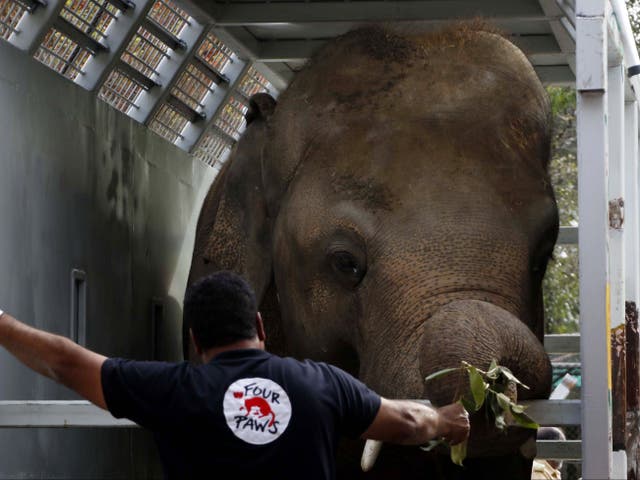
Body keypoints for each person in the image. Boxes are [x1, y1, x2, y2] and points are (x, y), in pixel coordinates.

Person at [0, 271, 469, 479]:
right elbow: (406, 423)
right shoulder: (322, 382)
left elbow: (64, 362)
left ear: (196, 342)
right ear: (261, 326)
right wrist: (447, 421)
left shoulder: (170, 390)